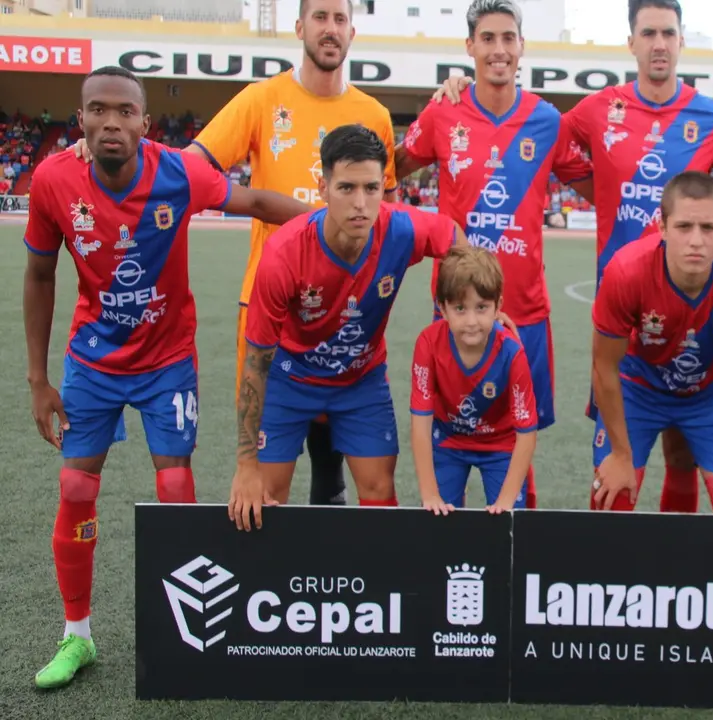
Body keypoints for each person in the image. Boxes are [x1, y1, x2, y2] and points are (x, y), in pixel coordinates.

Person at [432, 0, 713, 514]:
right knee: (613, 488)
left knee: (686, 457)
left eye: (668, 33)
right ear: (631, 42)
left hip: (693, 308)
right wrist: (462, 89)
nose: (659, 44)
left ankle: (681, 555)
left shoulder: (707, 117)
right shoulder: (595, 111)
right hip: (625, 320)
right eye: (648, 33)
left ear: (681, 40)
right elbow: (522, 124)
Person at [22, 66, 311, 690]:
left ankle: (184, 636)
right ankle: (77, 635)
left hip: (166, 360)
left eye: (125, 111)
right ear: (80, 119)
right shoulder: (52, 180)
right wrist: (37, 380)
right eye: (98, 110)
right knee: (75, 486)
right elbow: (40, 276)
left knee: (176, 488)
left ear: (145, 124)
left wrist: (330, 224)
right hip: (93, 361)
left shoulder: (177, 173)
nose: (111, 122)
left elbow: (258, 203)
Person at [71, 0, 402, 508]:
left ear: (352, 32)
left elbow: (388, 207)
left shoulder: (374, 115)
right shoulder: (261, 99)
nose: (330, 28)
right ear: (300, 26)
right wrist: (101, 148)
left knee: (334, 463)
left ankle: (331, 548)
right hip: (273, 307)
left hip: (346, 309)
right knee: (266, 477)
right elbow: (189, 165)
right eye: (320, 17)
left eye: (340, 19)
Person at [395, 0, 596, 509]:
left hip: (525, 313)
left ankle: (513, 542)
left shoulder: (547, 120)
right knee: (449, 440)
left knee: (518, 443)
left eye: (508, 38)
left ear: (522, 46)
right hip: (456, 309)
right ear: (470, 46)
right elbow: (390, 171)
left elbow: (601, 186)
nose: (499, 49)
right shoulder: (443, 113)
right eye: (487, 38)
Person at [227, 125, 463, 530]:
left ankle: (375, 572)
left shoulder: (400, 229)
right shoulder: (284, 254)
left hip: (360, 380)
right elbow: (256, 362)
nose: (360, 203)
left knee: (379, 489)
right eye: (346, 188)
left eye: (371, 188)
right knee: (264, 496)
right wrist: (246, 464)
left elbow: (454, 238)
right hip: (291, 378)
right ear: (323, 188)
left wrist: (469, 304)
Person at [590, 171, 713, 514]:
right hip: (638, 385)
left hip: (709, 389)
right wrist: (620, 454)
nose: (696, 240)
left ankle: (683, 552)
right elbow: (604, 366)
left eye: (707, 228)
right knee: (612, 496)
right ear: (662, 227)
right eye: (684, 227)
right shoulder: (627, 270)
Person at [409, 245, 537, 513]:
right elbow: (420, 421)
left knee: (508, 522)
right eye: (459, 308)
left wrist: (506, 501)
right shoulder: (428, 344)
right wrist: (429, 493)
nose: (471, 321)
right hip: (448, 440)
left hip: (501, 443)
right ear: (442, 308)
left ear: (498, 306)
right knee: (438, 519)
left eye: (481, 307)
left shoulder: (512, 353)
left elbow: (526, 433)